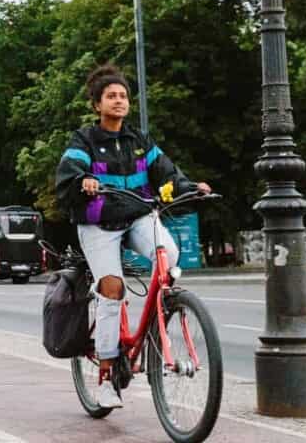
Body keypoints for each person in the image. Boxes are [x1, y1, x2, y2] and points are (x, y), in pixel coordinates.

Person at [55, 64, 211, 410]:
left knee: (168, 259)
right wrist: (84, 181)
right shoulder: (85, 140)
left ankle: (161, 316)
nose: (119, 101)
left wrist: (189, 187)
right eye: (111, 96)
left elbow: (167, 175)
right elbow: (68, 173)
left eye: (123, 96)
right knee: (113, 289)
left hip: (138, 215)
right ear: (98, 104)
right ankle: (109, 376)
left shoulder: (140, 141)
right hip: (99, 223)